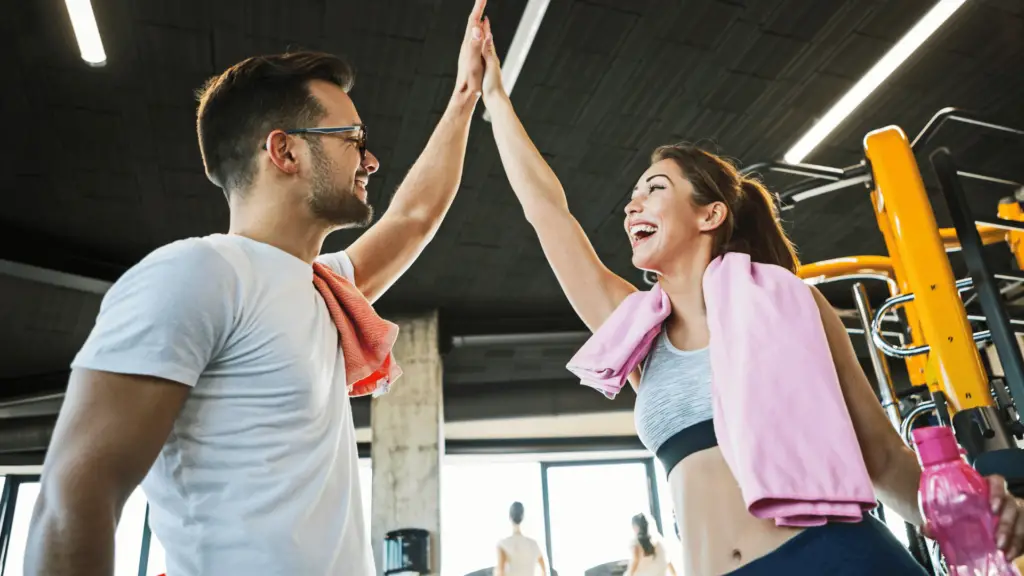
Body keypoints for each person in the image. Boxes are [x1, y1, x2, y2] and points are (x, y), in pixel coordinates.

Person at [473, 16, 1024, 576]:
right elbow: (548, 214)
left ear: (709, 214)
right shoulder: (636, 338)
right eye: (632, 196)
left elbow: (882, 458)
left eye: (654, 189)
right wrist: (493, 96)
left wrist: (973, 510)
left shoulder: (794, 305)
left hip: (837, 558)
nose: (631, 205)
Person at [24, 2, 490, 575]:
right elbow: (74, 500)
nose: (369, 159)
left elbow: (415, 215)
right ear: (284, 150)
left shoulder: (324, 290)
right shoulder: (199, 274)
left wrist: (467, 92)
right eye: (352, 138)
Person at [496, 502, 547, 576]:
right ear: (523, 517)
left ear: (509, 517)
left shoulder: (502, 545)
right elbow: (544, 570)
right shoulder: (533, 544)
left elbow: (500, 573)